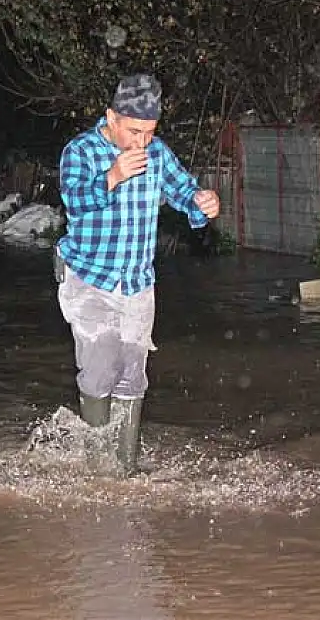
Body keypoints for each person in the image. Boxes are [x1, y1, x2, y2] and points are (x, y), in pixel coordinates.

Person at [54, 73, 220, 476]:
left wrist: (203, 203)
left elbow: (184, 192)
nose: (141, 142)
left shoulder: (157, 153)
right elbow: (74, 200)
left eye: (149, 132)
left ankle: (124, 471)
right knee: (99, 371)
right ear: (111, 117)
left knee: (132, 375)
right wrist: (112, 176)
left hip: (138, 284)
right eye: (133, 131)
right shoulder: (81, 151)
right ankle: (97, 472)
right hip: (89, 279)